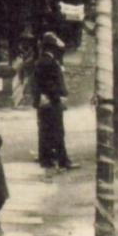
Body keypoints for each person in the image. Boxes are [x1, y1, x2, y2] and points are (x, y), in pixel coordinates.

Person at [34, 32, 77, 173]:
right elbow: (49, 84)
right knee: (57, 132)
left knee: (46, 131)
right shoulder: (48, 62)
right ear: (51, 48)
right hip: (51, 102)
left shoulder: (43, 61)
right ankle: (62, 161)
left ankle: (47, 159)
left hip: (45, 102)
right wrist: (57, 97)